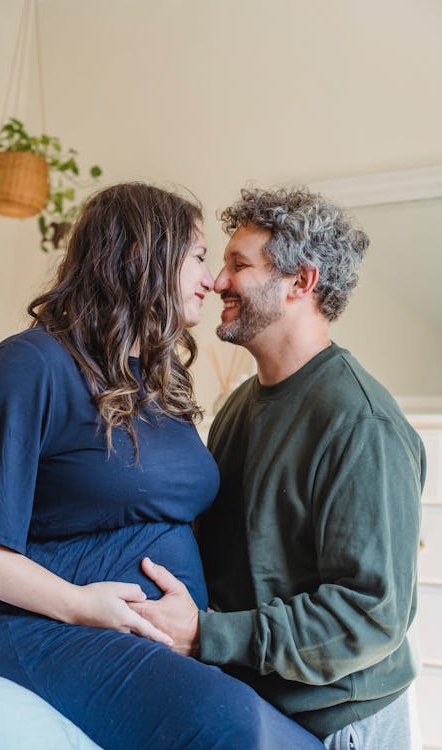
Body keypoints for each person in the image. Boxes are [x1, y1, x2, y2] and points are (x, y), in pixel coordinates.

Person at [0, 183, 325, 750]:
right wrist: (78, 606)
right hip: (25, 621)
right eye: (198, 257)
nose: (212, 279)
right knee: (227, 723)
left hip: (143, 629)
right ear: (141, 257)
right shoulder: (32, 364)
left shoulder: (154, 381)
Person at [131, 186, 426, 749]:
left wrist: (207, 634)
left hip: (342, 725)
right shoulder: (238, 408)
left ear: (302, 282)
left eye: (239, 264)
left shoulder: (362, 425)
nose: (218, 282)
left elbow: (369, 615)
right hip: (255, 710)